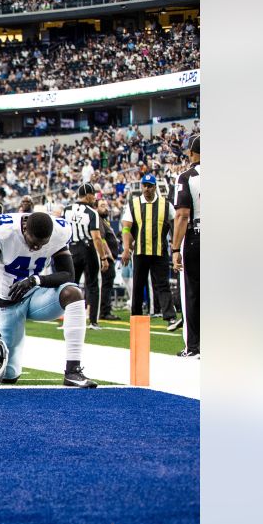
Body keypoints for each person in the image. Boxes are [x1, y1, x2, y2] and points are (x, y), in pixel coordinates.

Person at [0, 211, 98, 388]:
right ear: (24, 228)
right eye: (33, 242)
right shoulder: (5, 231)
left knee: (73, 293)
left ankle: (73, 371)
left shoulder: (59, 233)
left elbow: (68, 275)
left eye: (41, 245)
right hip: (7, 301)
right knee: (6, 374)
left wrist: (35, 280)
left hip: (37, 296)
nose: (36, 248)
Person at [120, 173, 179, 331]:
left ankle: (170, 317)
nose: (146, 188)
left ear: (155, 187)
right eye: (144, 186)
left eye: (149, 186)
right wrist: (126, 248)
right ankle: (136, 318)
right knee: (138, 285)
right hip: (140, 251)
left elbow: (175, 224)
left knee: (163, 284)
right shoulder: (133, 204)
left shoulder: (166, 205)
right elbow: (126, 227)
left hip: (159, 251)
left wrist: (176, 245)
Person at [64, 184, 111, 329]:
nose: (94, 199)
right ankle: (93, 321)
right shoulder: (92, 212)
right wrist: (103, 257)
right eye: (93, 195)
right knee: (92, 286)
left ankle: (69, 320)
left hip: (71, 249)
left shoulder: (67, 210)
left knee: (71, 285)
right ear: (89, 195)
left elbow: (62, 230)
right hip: (87, 248)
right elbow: (96, 237)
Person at [172, 136, 201, 358]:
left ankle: (194, 346)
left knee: (192, 293)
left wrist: (175, 249)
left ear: (191, 153)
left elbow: (182, 215)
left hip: (197, 236)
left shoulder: (187, 177)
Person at [97, 198, 121, 321]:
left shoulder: (105, 221)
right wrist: (108, 255)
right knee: (106, 285)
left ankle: (105, 309)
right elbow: (101, 238)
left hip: (108, 257)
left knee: (107, 284)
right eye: (102, 205)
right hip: (106, 258)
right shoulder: (99, 220)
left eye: (106, 205)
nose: (105, 207)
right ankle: (104, 311)